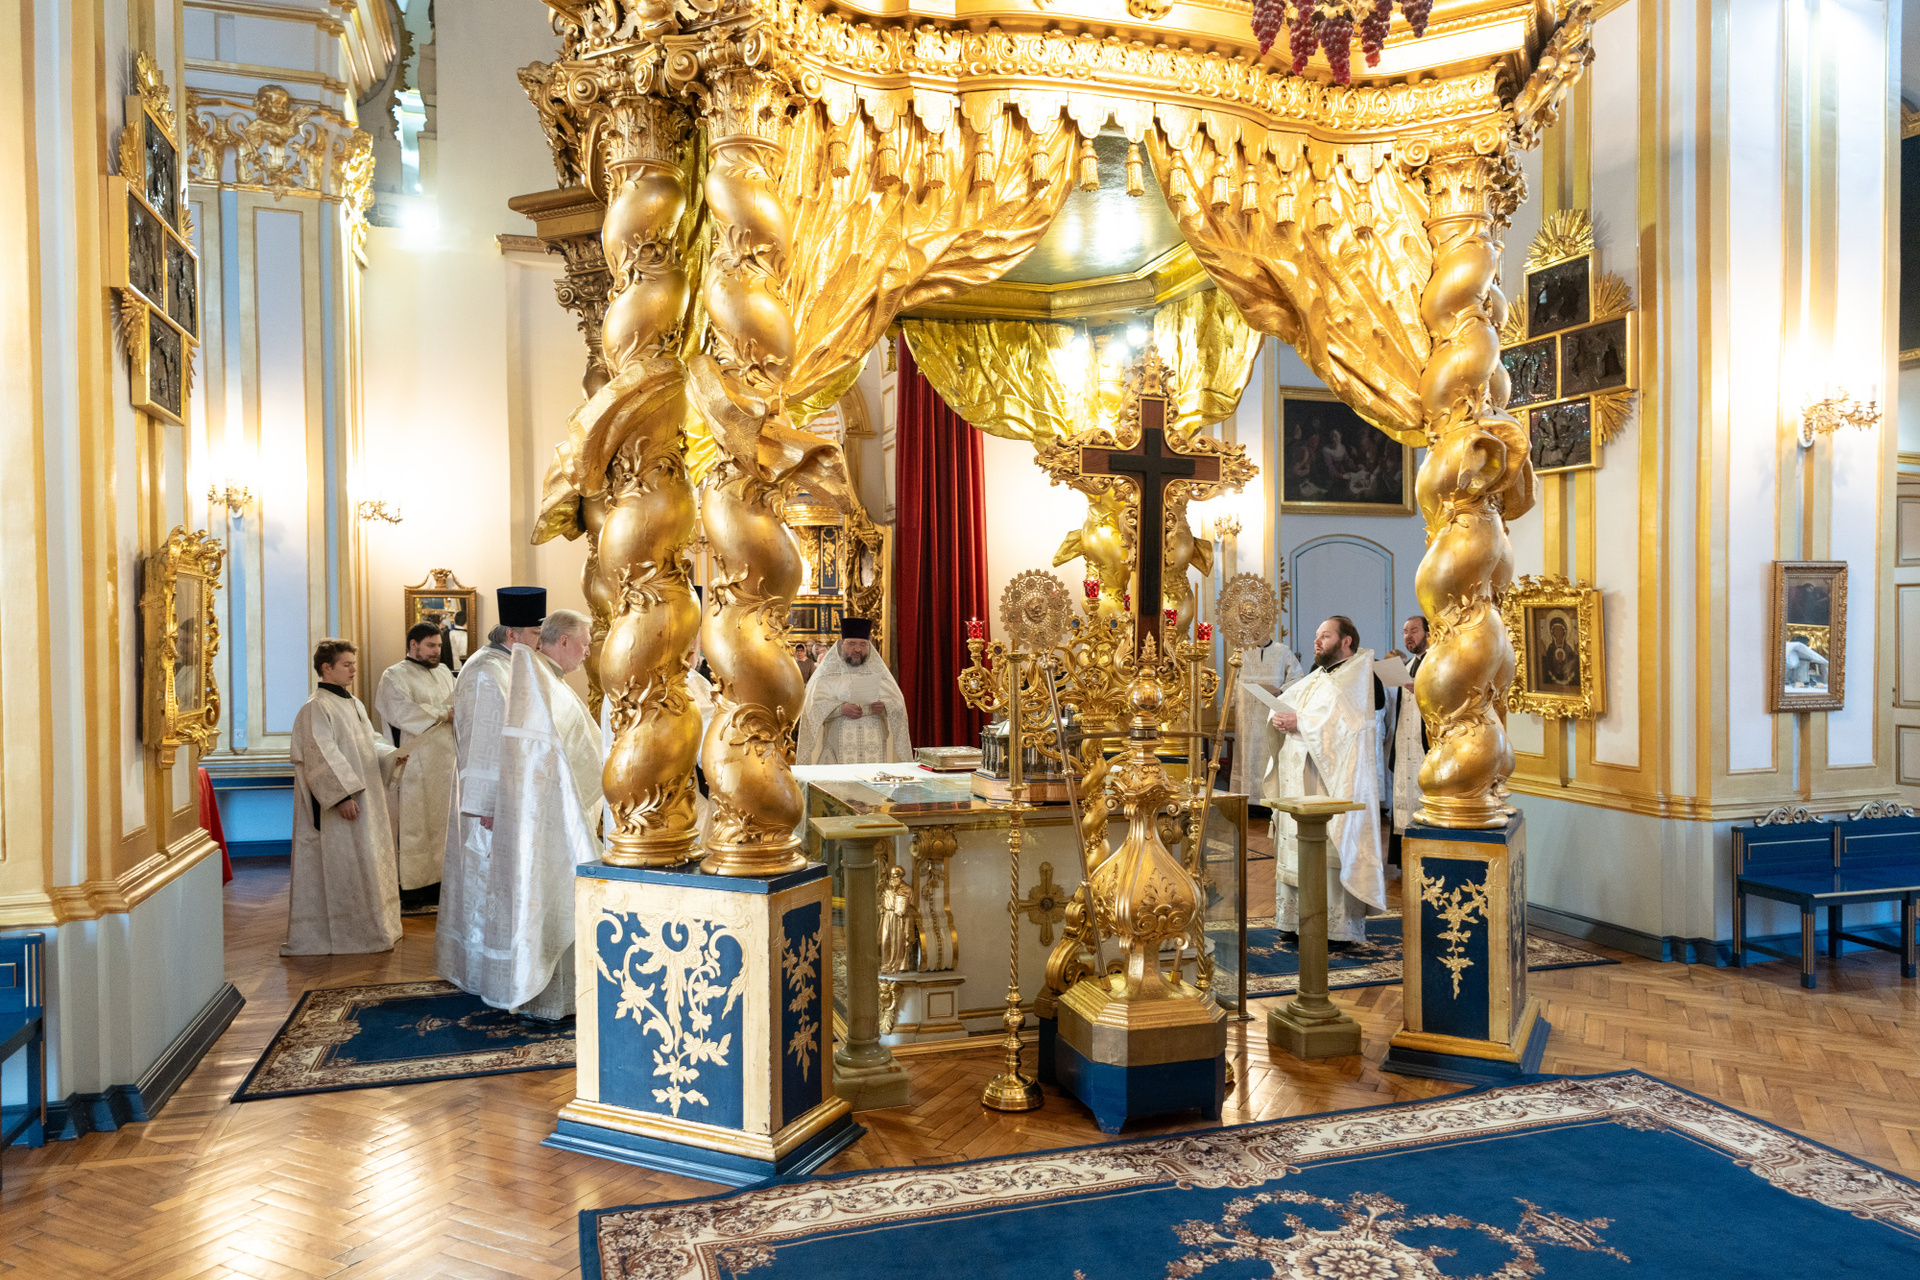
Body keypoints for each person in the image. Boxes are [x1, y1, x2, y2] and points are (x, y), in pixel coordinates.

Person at [477, 608, 605, 1021]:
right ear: (563, 641)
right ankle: (546, 998)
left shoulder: (545, 678)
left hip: (553, 813)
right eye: (584, 643)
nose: (588, 652)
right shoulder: (538, 681)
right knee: (549, 898)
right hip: (550, 817)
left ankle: (560, 996)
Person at [437, 592, 543, 992]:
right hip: (487, 803)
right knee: (485, 881)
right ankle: (483, 970)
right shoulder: (486, 670)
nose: (539, 642)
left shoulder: (507, 664)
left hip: (503, 793)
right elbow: (480, 740)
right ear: (513, 635)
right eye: (535, 634)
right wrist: (486, 804)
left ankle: (504, 968)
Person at [1262, 615, 1387, 946]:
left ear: (1346, 641)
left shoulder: (1358, 676)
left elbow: (1344, 726)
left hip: (1330, 781)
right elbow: (1294, 702)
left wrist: (1300, 723)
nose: (1317, 641)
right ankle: (1294, 920)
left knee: (1329, 848)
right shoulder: (1319, 675)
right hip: (1299, 776)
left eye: (1326, 636)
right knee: (1296, 845)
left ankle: (1336, 927)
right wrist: (1279, 717)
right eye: (1317, 636)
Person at [284, 639, 405, 955]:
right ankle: (344, 935)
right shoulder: (316, 707)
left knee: (366, 864)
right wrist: (341, 797)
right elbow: (319, 755)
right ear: (327, 668)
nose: (353, 670)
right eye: (346, 664)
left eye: (353, 663)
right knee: (344, 865)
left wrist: (392, 755)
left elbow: (369, 743)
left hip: (367, 800)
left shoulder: (354, 703)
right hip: (344, 805)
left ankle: (375, 928)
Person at [374, 623, 457, 911]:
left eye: (438, 645)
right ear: (413, 645)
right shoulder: (394, 675)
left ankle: (441, 884)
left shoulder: (444, 672)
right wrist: (443, 715)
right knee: (416, 826)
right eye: (431, 645)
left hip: (446, 762)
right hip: (415, 763)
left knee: (443, 826)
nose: (437, 651)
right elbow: (400, 712)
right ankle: (412, 888)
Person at [798, 617, 911, 765]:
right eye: (852, 643)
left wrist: (884, 707)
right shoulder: (827, 674)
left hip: (874, 746)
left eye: (863, 644)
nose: (858, 649)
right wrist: (840, 709)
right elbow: (812, 708)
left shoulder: (878, 672)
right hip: (838, 747)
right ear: (841, 644)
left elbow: (898, 705)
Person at [1384, 614, 1431, 865]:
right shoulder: (1409, 664)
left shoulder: (1436, 663)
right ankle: (1406, 861)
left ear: (1428, 634)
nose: (1408, 636)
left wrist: (1423, 688)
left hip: (1426, 746)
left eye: (1413, 630)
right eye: (1404, 632)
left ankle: (1426, 859)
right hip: (1405, 745)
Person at [1540, 616, 1579, 689]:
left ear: (1564, 632)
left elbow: (1574, 667)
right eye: (1556, 630)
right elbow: (1546, 668)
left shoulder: (1568, 649)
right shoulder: (1549, 649)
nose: (1558, 633)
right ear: (1552, 633)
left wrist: (1576, 654)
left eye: (1560, 630)